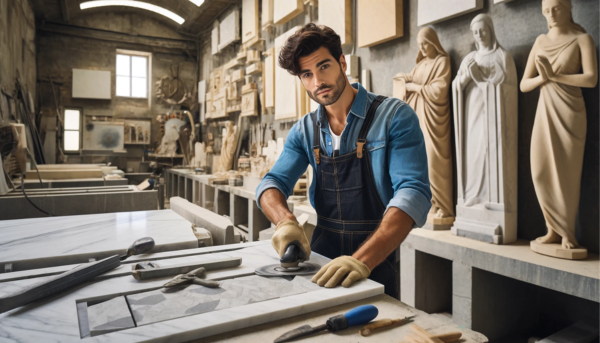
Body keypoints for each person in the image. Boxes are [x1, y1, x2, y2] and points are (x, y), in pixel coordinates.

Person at [255, 23, 431, 298]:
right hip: (320, 261)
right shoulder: (304, 130)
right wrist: (285, 221)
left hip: (376, 260)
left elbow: (413, 193)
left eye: (324, 67)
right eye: (307, 74)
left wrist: (362, 260)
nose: (318, 82)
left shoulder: (395, 116)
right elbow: (271, 183)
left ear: (342, 62)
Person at [520, 0, 597, 250]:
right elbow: (524, 84)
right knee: (540, 171)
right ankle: (552, 229)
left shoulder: (582, 39)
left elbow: (591, 79)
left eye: (556, 9)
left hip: (570, 113)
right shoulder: (541, 41)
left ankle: (568, 234)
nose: (551, 15)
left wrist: (555, 77)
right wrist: (543, 79)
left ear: (568, 7)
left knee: (567, 176)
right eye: (546, 11)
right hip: (545, 112)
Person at [396, 27, 453, 221]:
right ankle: (431, 203)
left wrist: (415, 87)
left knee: (435, 160)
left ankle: (444, 205)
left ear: (434, 42)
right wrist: (403, 80)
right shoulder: (420, 66)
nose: (422, 47)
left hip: (434, 121)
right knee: (421, 162)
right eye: (420, 45)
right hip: (418, 117)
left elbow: (439, 90)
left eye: (425, 43)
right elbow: (410, 78)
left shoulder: (442, 62)